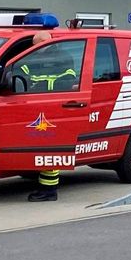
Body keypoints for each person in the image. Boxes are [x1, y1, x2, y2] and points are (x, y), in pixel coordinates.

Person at [12, 48, 80, 203]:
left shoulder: (62, 57)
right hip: (38, 104)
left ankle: (49, 190)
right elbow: (21, 72)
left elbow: (67, 79)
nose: (33, 47)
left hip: (52, 106)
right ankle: (45, 186)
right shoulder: (32, 57)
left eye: (36, 45)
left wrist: (37, 86)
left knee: (49, 150)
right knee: (43, 148)